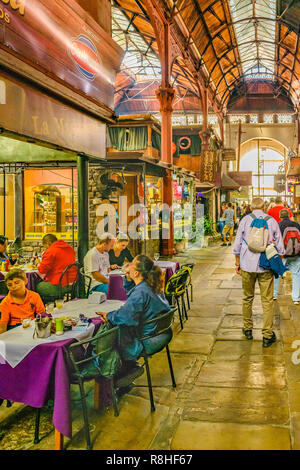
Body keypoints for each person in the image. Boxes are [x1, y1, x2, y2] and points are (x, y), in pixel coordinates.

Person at [97, 255, 171, 366]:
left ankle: (118, 370)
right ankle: (125, 368)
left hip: (148, 340)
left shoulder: (141, 292)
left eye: (131, 264)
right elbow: (135, 292)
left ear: (136, 273)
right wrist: (128, 277)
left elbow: (125, 317)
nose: (129, 266)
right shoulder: (151, 284)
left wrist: (108, 316)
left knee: (110, 332)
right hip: (163, 333)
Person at [233, 197, 285, 348]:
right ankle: (267, 336)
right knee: (267, 301)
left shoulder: (245, 220)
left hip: (247, 265)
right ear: (264, 207)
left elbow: (237, 244)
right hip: (265, 265)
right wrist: (277, 261)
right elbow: (280, 246)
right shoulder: (271, 221)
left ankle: (248, 329)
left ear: (250, 208)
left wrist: (237, 262)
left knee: (247, 297)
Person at [0, 269, 45, 333]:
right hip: (14, 329)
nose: (13, 286)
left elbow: (42, 315)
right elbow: (2, 327)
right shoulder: (5, 303)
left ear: (26, 281)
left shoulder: (34, 296)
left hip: (31, 324)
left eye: (16, 283)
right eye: (10, 285)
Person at [273, 209, 300, 305]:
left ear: (280, 216)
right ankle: (296, 298)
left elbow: (274, 239)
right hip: (296, 254)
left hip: (282, 254)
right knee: (296, 275)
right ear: (289, 216)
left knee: (277, 273)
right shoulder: (297, 225)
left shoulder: (278, 225)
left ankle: (274, 295)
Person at [36, 234, 76, 298]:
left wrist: (38, 264)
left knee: (38, 286)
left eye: (45, 247)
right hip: (73, 283)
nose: (46, 249)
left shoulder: (51, 251)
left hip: (60, 284)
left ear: (48, 243)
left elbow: (42, 270)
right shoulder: (69, 248)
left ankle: (47, 304)